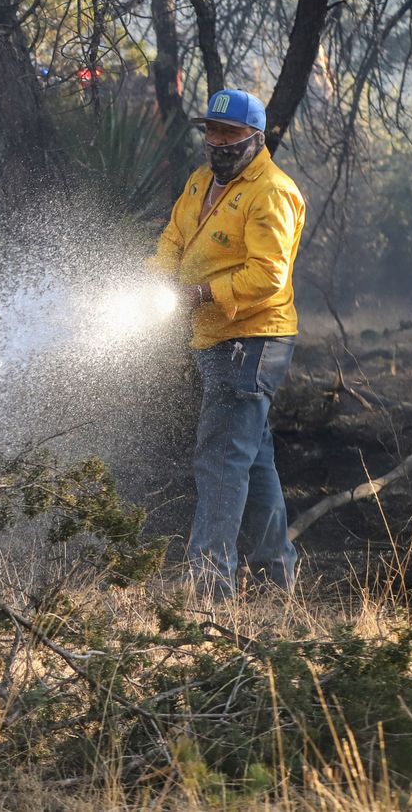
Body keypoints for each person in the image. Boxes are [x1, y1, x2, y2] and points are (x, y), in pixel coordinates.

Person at [149, 88, 307, 598]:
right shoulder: (201, 183)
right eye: (211, 132)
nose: (217, 143)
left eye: (230, 135)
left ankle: (208, 587)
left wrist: (200, 293)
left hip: (252, 339)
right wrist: (160, 281)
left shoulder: (272, 193)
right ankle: (274, 581)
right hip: (217, 336)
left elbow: (268, 275)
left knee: (220, 456)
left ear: (255, 139)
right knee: (251, 459)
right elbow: (173, 239)